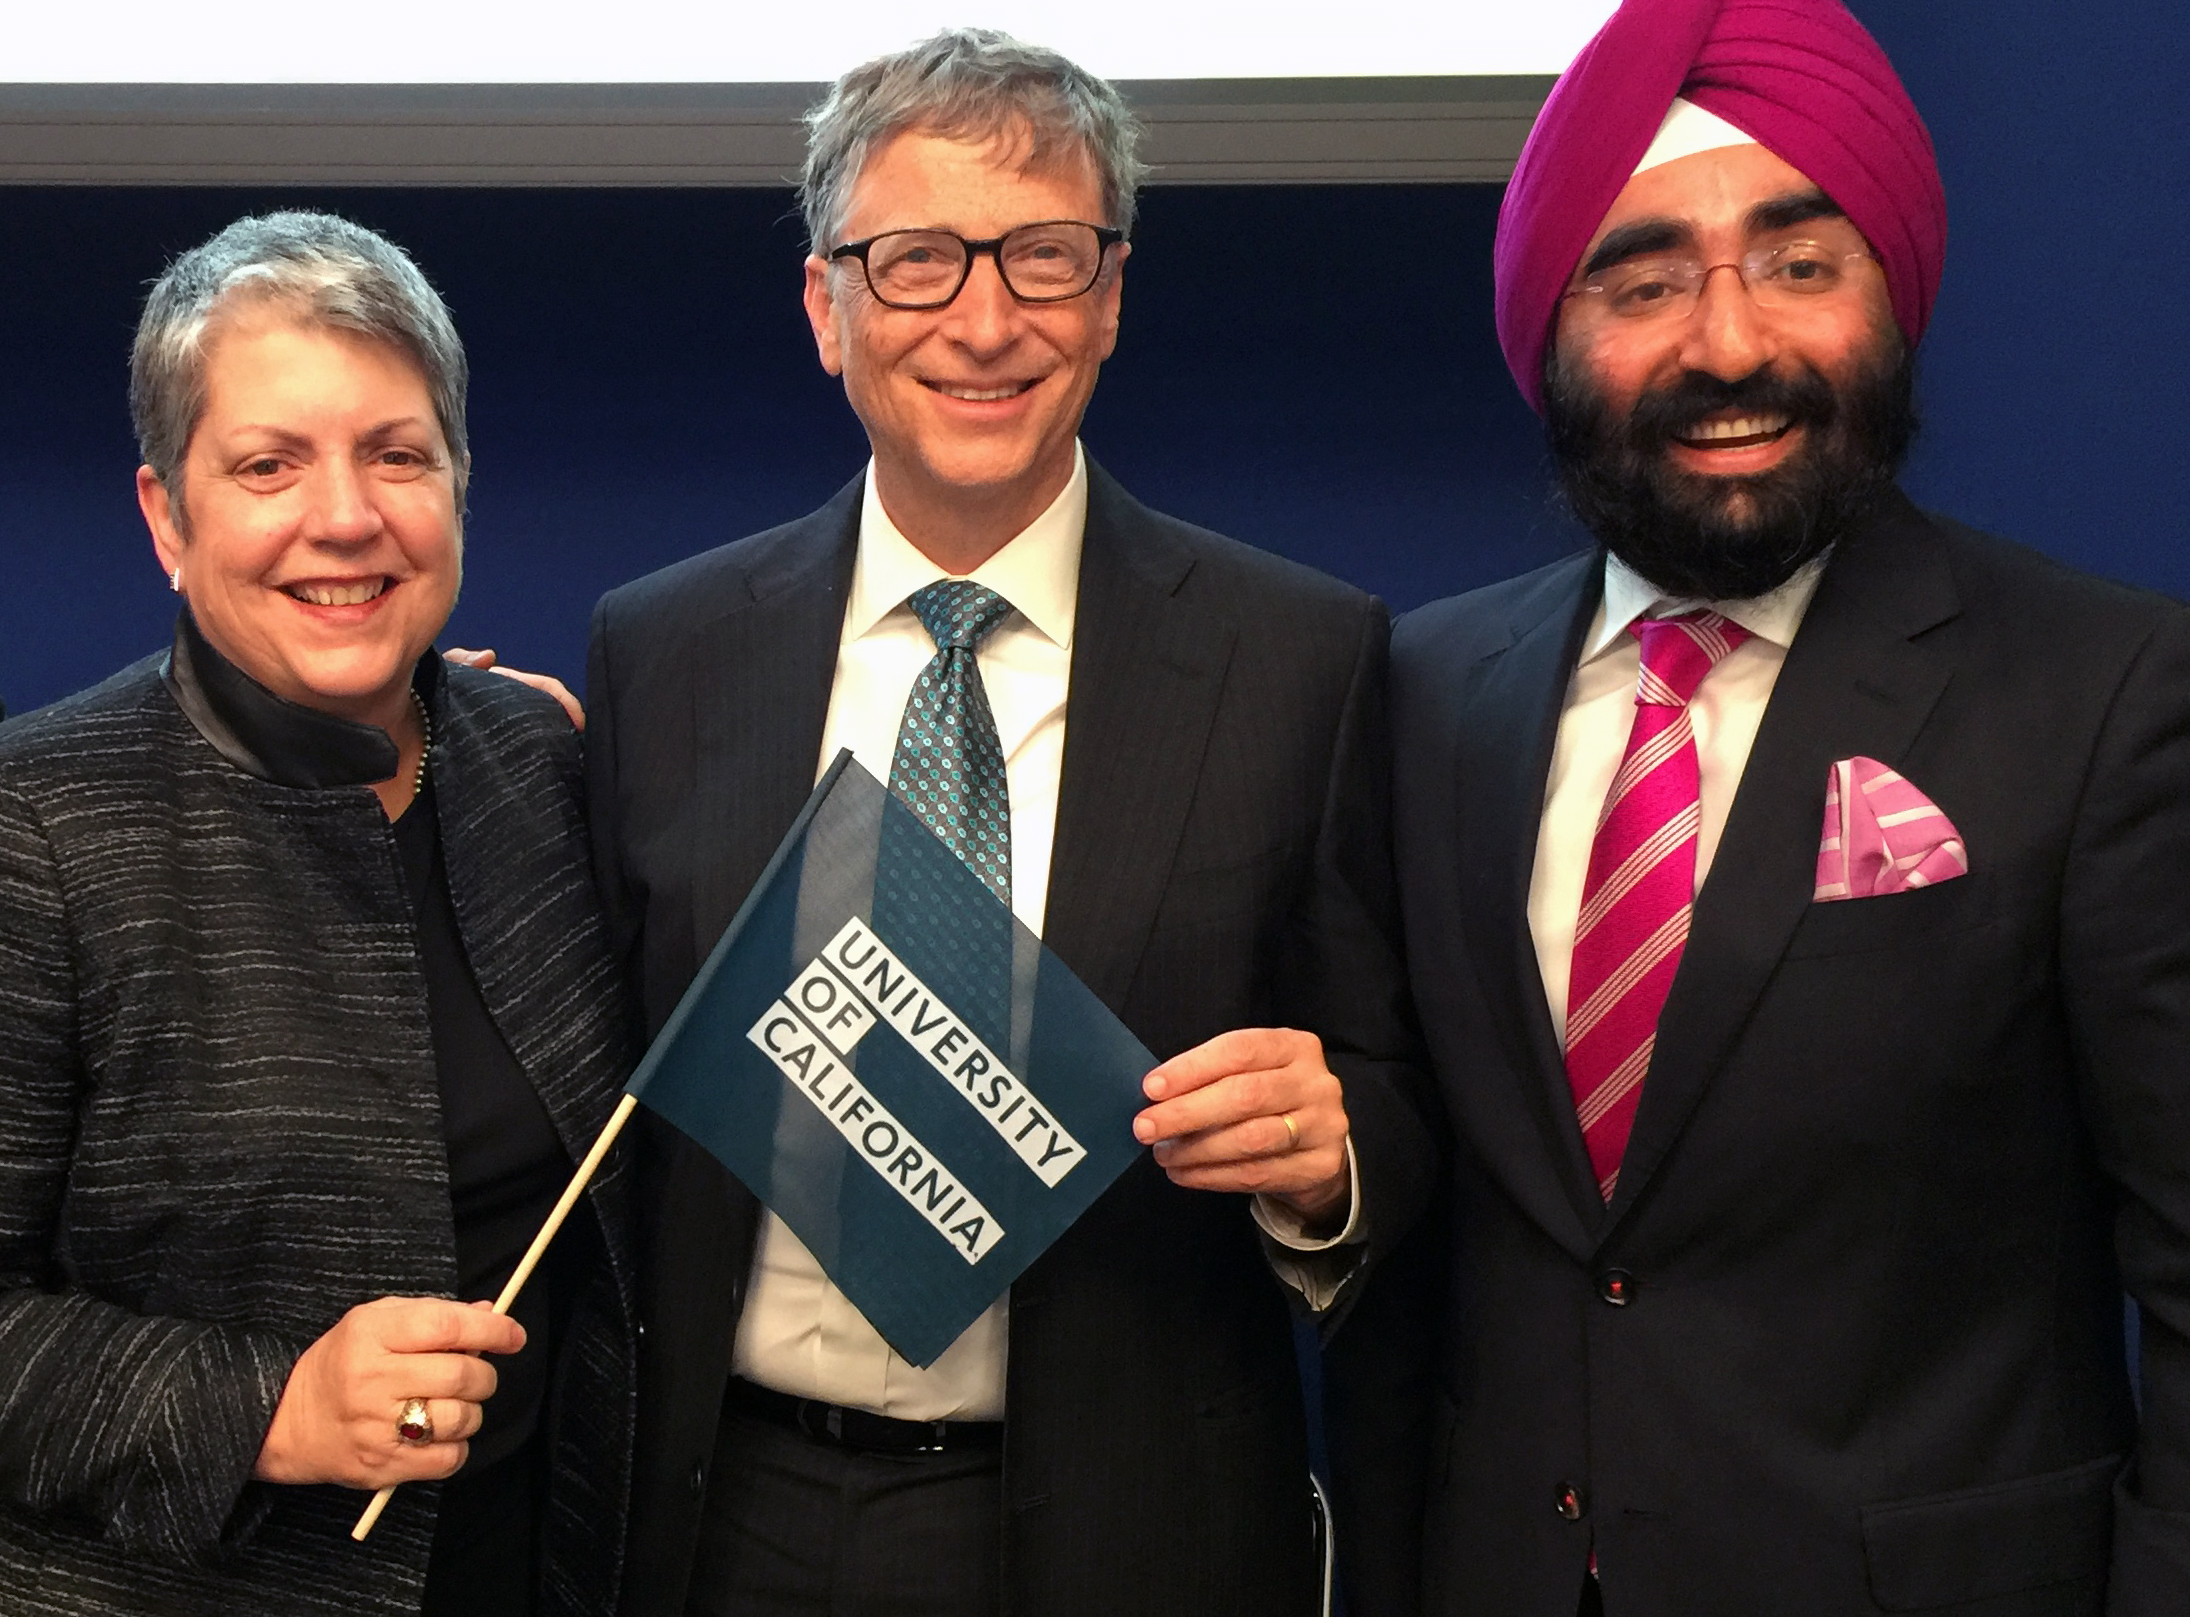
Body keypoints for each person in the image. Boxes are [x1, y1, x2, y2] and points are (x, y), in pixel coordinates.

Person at [1352, 0, 2190, 1612]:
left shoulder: (2106, 696)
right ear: (1548, 328)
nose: (1726, 343)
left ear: (1891, 295)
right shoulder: (1420, 692)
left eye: (1799, 266)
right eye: (1644, 279)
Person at [586, 28, 1427, 1617]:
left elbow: (1394, 1092)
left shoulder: (1300, 657)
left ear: (1110, 296)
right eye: (914, 262)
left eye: (1042, 257)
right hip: (721, 1514)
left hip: (1132, 1522)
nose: (985, 320)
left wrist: (1330, 1160)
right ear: (826, 309)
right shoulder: (665, 650)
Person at [0, 211, 635, 1617]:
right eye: (269, 464)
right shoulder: (31, 823)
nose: (345, 515)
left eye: (396, 454)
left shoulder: (541, 765)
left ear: (458, 483)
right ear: (169, 516)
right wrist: (269, 1407)